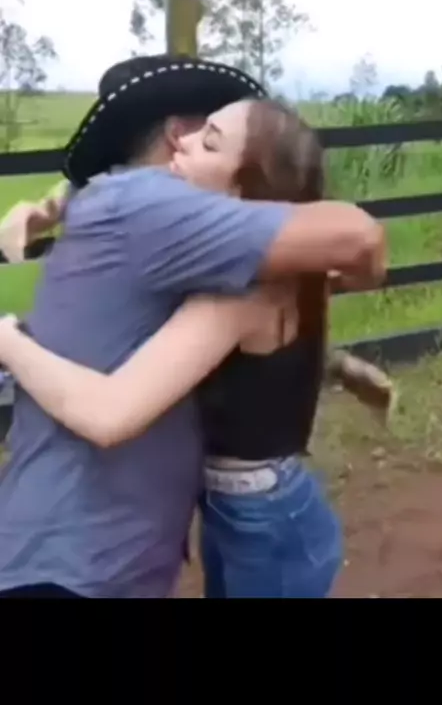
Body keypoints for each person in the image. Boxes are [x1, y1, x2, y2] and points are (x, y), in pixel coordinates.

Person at [0, 55, 386, 599]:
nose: (183, 143)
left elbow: (107, 413)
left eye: (209, 141)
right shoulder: (194, 248)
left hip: (264, 515)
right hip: (239, 514)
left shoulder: (234, 285)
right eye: (196, 132)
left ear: (243, 190)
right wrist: (50, 207)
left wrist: (9, 340)